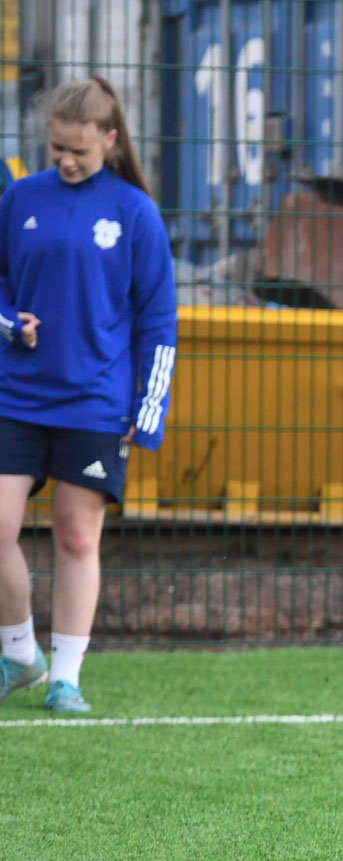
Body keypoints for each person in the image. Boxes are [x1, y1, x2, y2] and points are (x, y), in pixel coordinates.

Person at [0, 77, 177, 714]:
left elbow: (158, 320)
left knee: (78, 538)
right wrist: (6, 322)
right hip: (14, 393)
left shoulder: (135, 213)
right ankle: (20, 653)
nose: (67, 161)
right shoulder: (20, 197)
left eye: (79, 150)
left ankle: (65, 678)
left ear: (110, 139)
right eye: (56, 150)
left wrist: (147, 410)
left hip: (95, 403)